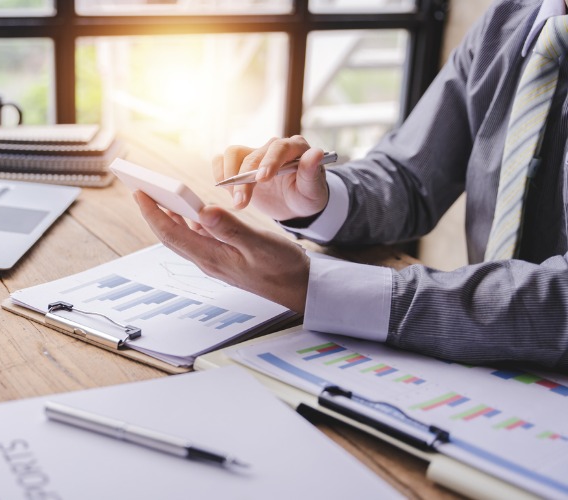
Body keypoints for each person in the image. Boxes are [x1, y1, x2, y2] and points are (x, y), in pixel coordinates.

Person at [133, 0, 568, 373]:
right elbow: (411, 174)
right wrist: (317, 200)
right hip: (487, 374)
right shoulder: (511, 20)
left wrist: (317, 287)